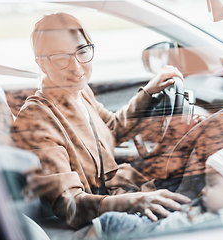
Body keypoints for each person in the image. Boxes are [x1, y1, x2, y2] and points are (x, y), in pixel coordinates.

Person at [11, 12, 191, 229]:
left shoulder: (80, 92)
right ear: (41, 64)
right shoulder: (36, 118)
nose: (77, 68)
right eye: (60, 58)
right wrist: (135, 201)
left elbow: (112, 129)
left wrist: (148, 92)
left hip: (130, 188)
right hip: (104, 216)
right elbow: (70, 204)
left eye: (82, 51)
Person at [76, 138, 223, 240]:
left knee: (111, 222)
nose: (205, 191)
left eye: (213, 184)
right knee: (109, 221)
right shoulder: (216, 204)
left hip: (157, 232)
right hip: (159, 225)